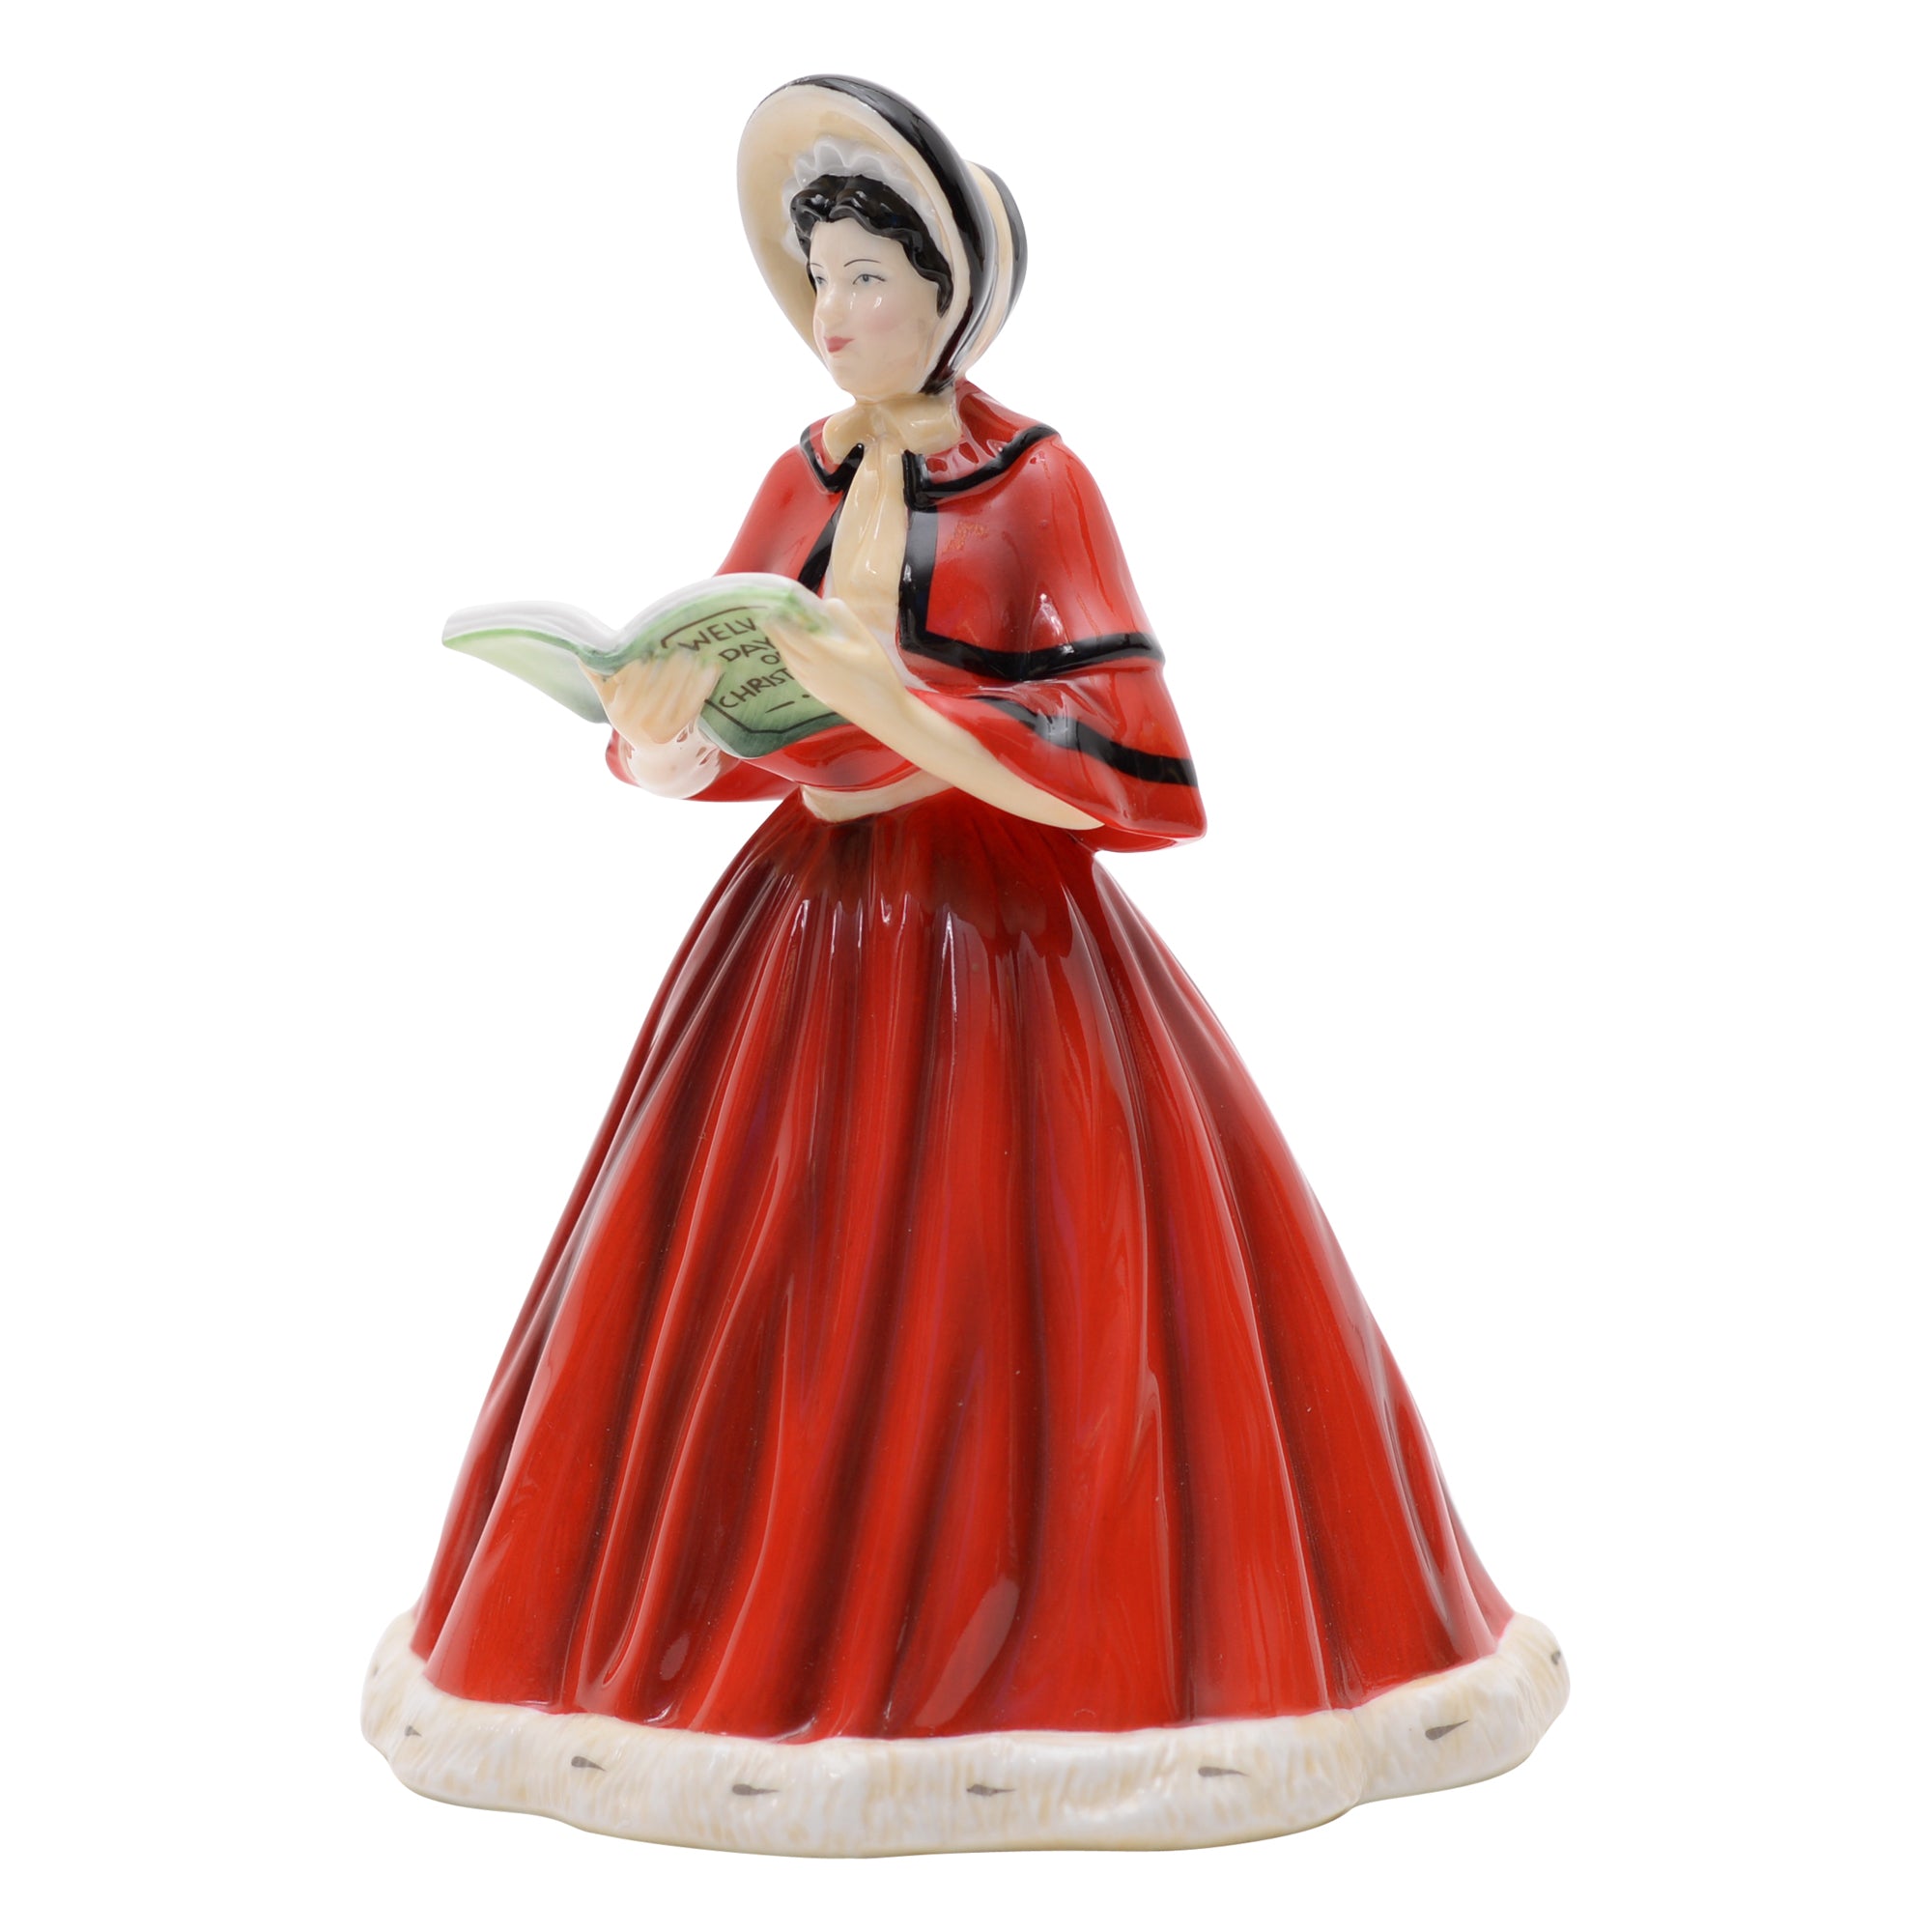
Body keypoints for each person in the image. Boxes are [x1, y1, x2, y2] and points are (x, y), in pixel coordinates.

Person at [362, 74, 1566, 1855]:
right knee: (752, 1274)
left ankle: (1072, 1664)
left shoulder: (1038, 483)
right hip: (801, 935)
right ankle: (728, 1645)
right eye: (817, 280)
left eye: (868, 278)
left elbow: (1127, 751)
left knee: (1047, 1282)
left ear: (950, 292)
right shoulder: (799, 474)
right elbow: (744, 711)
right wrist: (666, 737)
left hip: (1002, 947)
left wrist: (911, 712)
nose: (834, 315)